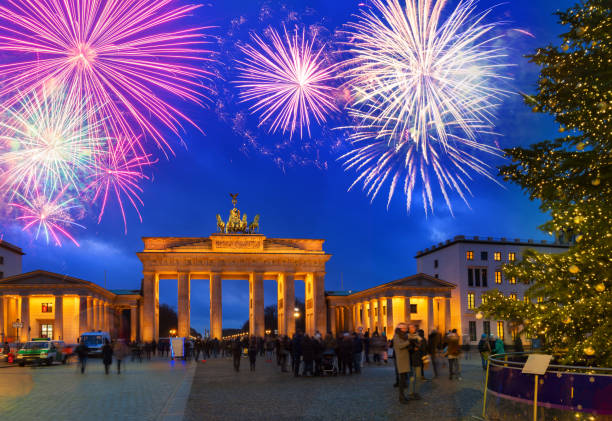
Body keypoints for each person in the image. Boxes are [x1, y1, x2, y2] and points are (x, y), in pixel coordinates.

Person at [393, 323, 411, 404]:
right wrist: (408, 342)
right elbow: (400, 346)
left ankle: (403, 396)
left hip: (404, 359)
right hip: (401, 359)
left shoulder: (402, 335)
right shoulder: (396, 336)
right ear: (401, 329)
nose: (406, 330)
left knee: (403, 379)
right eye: (405, 328)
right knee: (401, 380)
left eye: (406, 328)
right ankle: (401, 397)